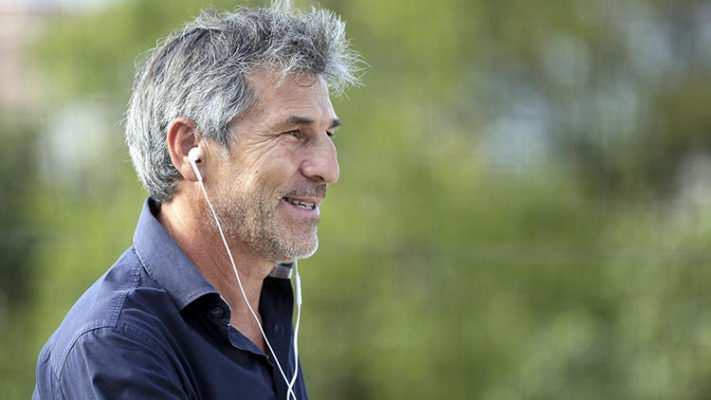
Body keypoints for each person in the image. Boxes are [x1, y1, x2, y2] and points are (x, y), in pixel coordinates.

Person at [33, 2, 361, 399]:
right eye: (294, 133)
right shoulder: (117, 345)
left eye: (329, 134)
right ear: (189, 148)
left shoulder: (264, 306)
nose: (328, 169)